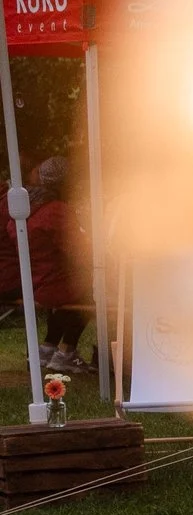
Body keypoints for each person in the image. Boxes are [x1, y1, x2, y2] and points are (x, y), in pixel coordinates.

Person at [19, 157, 90, 375]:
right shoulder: (57, 210)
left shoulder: (32, 207)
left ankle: (47, 348)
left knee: (74, 292)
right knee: (91, 294)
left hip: (34, 277)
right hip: (48, 280)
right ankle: (66, 353)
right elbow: (75, 248)